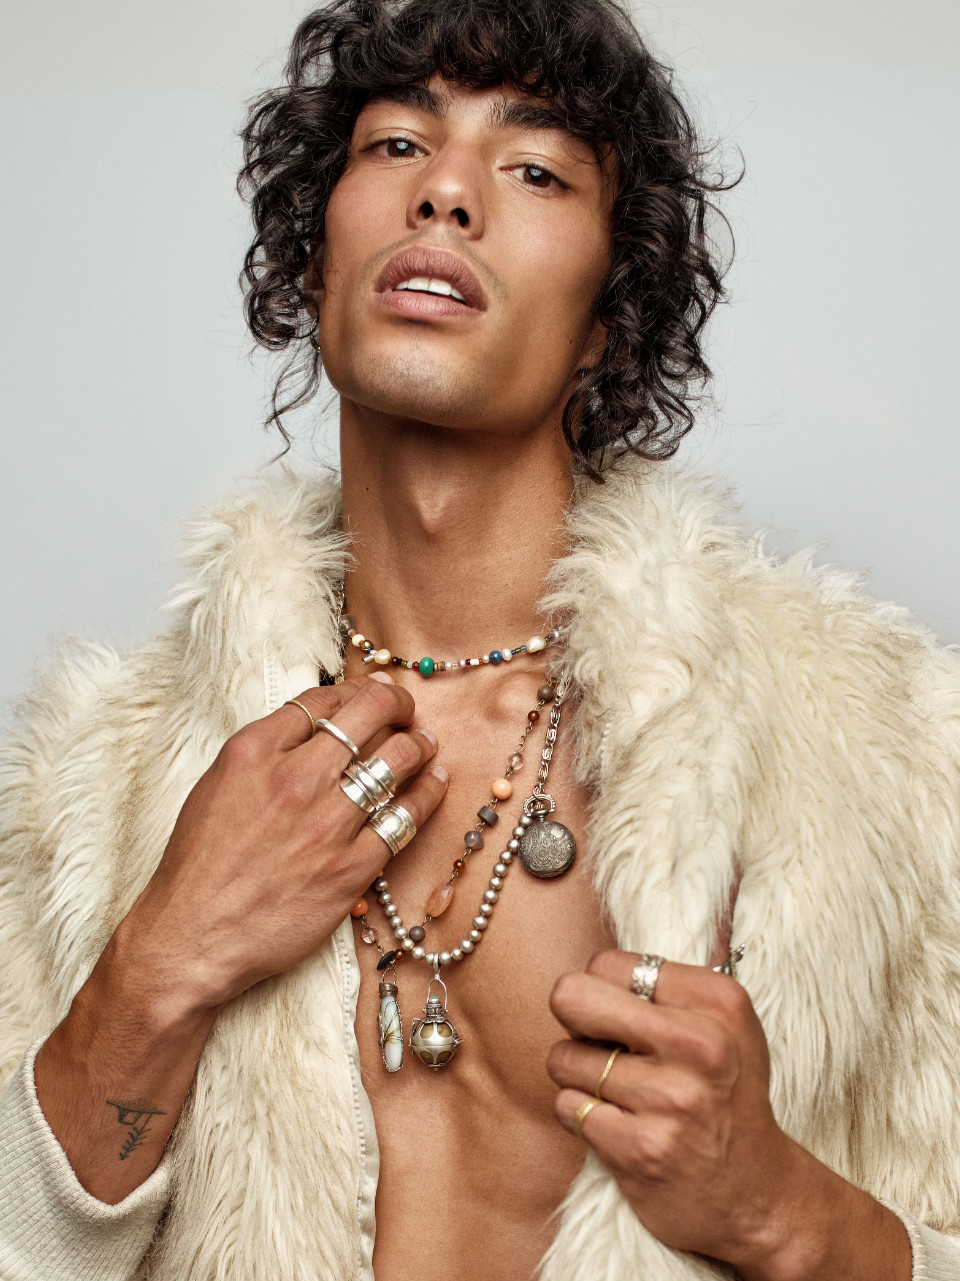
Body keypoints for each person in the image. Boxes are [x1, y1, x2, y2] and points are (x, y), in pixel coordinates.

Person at [1, 0, 959, 1278]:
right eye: (397, 145)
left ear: (608, 319)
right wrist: (158, 965)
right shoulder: (90, 787)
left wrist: (784, 1210)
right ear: (315, 265)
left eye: (535, 169)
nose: (446, 192)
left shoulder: (881, 751)